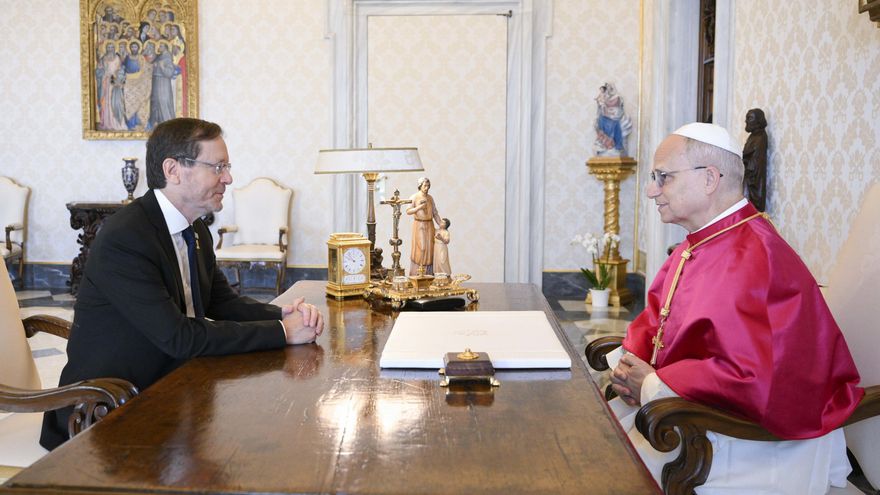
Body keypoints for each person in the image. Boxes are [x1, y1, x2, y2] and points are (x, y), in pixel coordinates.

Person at [606, 122, 863, 494]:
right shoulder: (697, 244)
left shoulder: (756, 255)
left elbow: (755, 380)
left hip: (754, 444)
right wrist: (629, 369)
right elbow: (657, 323)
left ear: (710, 178)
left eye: (663, 178)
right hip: (687, 411)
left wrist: (650, 384)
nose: (651, 191)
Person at [41, 118, 324, 450]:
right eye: (218, 166)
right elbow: (179, 337)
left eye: (227, 166)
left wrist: (281, 314)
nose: (229, 178)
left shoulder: (196, 228)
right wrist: (284, 333)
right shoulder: (126, 237)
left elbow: (224, 303)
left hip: (175, 388)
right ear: (173, 170)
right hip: (108, 411)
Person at [405, 177, 443, 275]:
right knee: (421, 248)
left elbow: (435, 213)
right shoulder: (414, 197)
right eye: (425, 186)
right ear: (420, 186)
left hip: (429, 224)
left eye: (428, 186)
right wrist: (419, 207)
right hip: (419, 224)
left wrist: (441, 224)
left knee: (430, 248)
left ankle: (428, 274)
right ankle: (417, 273)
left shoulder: (430, 198)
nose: (427, 188)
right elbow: (408, 211)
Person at [742, 108, 769, 211]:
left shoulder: (760, 136)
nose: (746, 121)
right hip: (749, 177)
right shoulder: (752, 136)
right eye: (747, 118)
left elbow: (755, 161)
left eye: (750, 118)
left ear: (758, 121)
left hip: (754, 181)